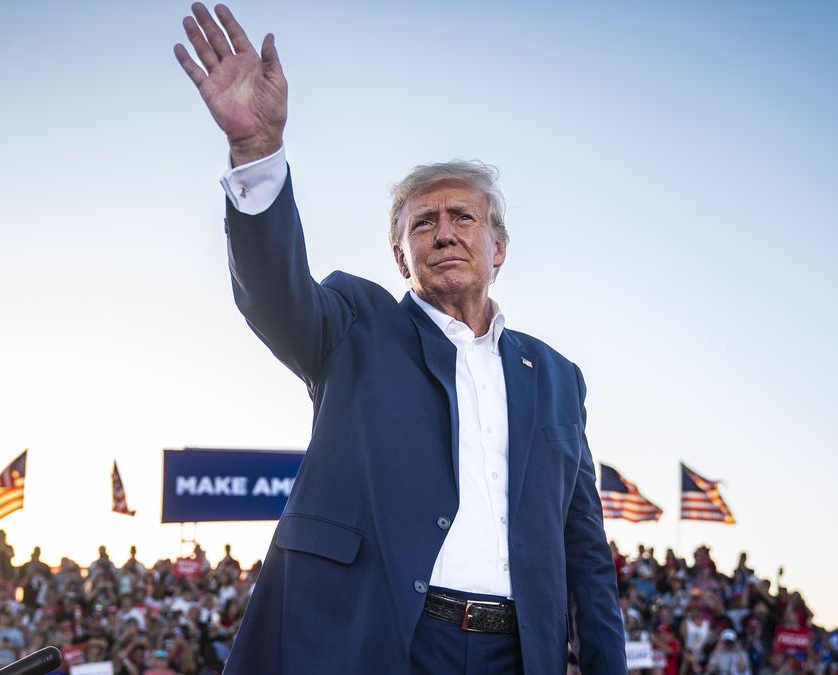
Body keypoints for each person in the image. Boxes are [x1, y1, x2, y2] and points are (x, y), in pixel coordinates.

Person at [172, 4, 625, 674]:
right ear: (399, 255)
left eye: (462, 217)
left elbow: (585, 549)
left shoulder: (556, 376)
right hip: (386, 642)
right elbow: (275, 294)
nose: (443, 232)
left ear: (497, 247)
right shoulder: (358, 322)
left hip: (517, 653)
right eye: (423, 223)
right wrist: (257, 153)